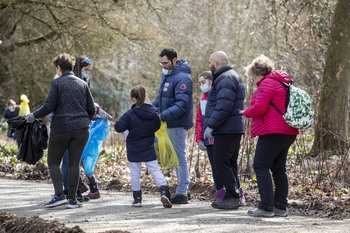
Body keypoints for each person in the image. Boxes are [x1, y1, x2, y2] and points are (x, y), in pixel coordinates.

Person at [26, 53, 96, 209]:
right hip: (82, 129)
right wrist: (84, 120)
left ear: (59, 68)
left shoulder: (57, 83)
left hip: (62, 127)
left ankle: (59, 196)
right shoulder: (82, 84)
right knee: (74, 164)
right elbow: (91, 109)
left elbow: (48, 107)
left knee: (53, 161)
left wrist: (33, 115)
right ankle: (72, 200)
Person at [240, 55, 299, 217]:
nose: (254, 80)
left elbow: (259, 108)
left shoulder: (267, 83)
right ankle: (280, 206)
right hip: (288, 131)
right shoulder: (283, 83)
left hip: (273, 131)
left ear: (258, 72)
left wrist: (245, 112)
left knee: (260, 165)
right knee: (278, 168)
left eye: (254, 77)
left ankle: (266, 207)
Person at [60, 56, 111, 201]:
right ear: (77, 69)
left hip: (82, 125)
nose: (88, 72)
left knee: (76, 159)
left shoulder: (85, 82)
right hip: (69, 125)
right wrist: (95, 110)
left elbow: (87, 103)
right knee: (69, 159)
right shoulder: (70, 82)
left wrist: (96, 112)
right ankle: (70, 190)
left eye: (89, 70)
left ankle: (76, 189)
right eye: (86, 70)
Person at [114, 85, 172, 208]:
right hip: (148, 145)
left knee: (135, 173)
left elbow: (118, 127)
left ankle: (137, 198)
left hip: (133, 147)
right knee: (155, 169)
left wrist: (127, 128)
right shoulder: (153, 113)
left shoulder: (129, 114)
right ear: (144, 97)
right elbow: (156, 127)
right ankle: (164, 191)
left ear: (133, 99)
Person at [203, 51, 245, 210]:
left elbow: (223, 106)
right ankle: (233, 195)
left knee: (221, 161)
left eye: (210, 63)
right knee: (229, 162)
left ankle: (232, 196)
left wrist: (211, 125)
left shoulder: (224, 78)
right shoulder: (231, 76)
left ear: (217, 63)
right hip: (233, 127)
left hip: (226, 128)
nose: (209, 66)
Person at [152, 48, 193, 204]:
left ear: (174, 60)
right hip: (168, 123)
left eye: (165, 63)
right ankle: (184, 190)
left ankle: (182, 193)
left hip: (177, 123)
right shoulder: (168, 75)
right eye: (160, 63)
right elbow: (161, 98)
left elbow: (181, 104)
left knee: (179, 158)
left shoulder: (182, 78)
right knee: (175, 158)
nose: (163, 66)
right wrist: (148, 107)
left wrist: (162, 116)